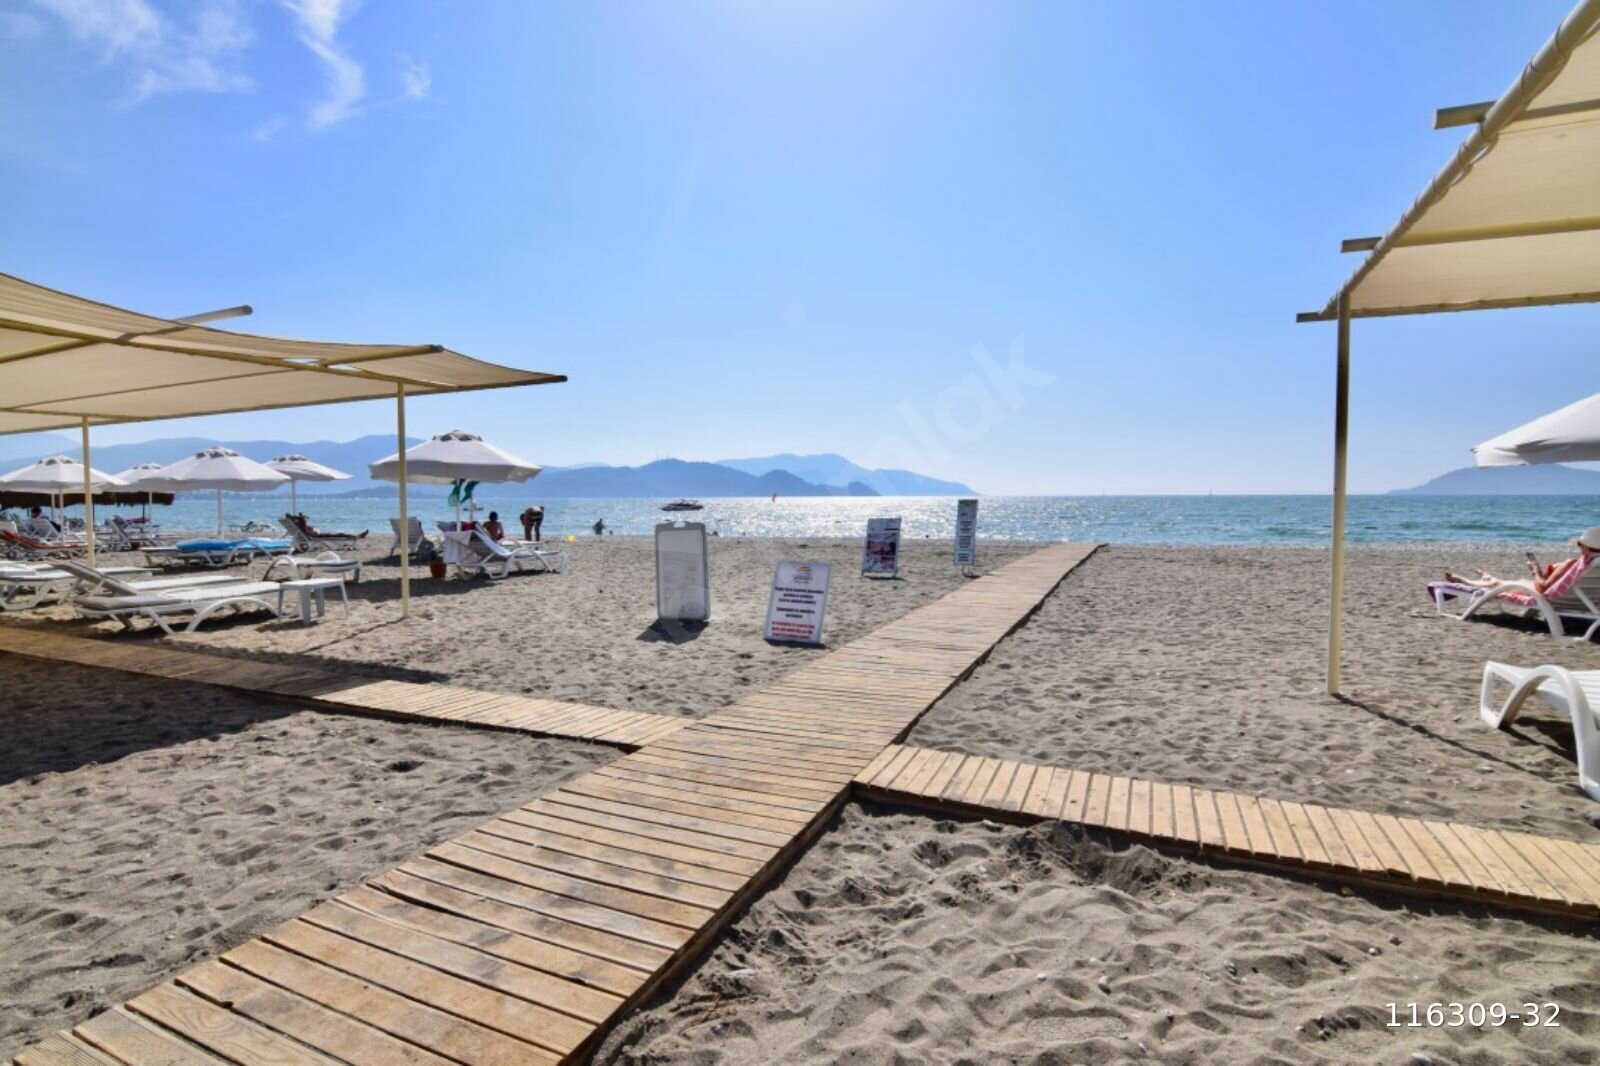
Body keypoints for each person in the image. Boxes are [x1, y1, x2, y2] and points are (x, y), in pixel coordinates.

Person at [1444, 527, 1599, 593]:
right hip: (1583, 600)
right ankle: (1486, 577)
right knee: (1516, 581)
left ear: (1586, 546)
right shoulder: (1590, 565)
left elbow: (1543, 588)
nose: (1578, 547)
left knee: (1496, 585)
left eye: (1580, 544)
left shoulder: (1573, 563)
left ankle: (1462, 579)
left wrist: (1535, 569)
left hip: (1548, 596)